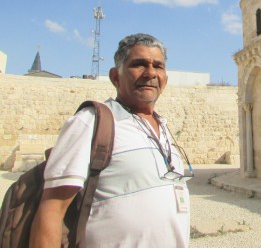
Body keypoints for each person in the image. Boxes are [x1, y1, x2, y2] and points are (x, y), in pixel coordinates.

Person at [30, 33, 192, 247]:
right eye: (139, 64)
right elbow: (52, 209)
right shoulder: (91, 123)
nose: (150, 73)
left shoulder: (163, 128)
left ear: (165, 79)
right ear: (115, 77)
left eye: (158, 66)